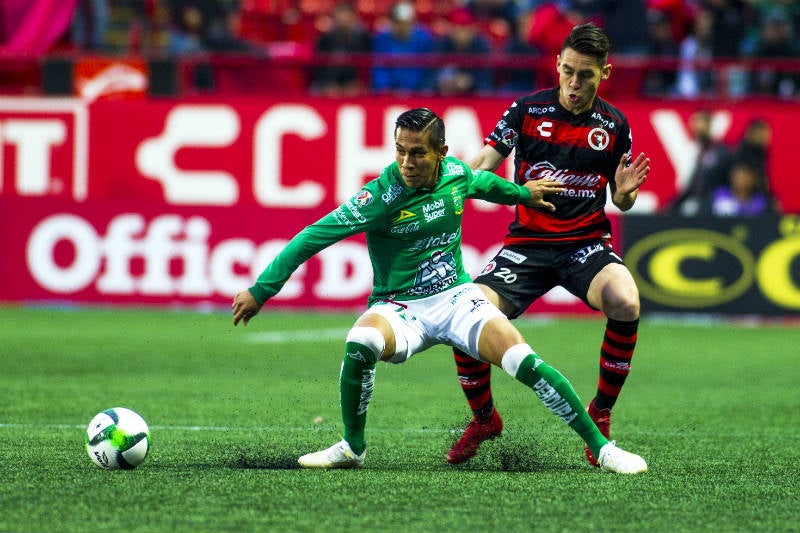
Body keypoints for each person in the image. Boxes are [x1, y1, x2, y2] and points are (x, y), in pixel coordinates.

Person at [231, 107, 648, 475]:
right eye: (400, 150)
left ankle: (603, 449)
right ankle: (351, 447)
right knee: (361, 340)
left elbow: (483, 182)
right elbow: (311, 237)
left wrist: (524, 194)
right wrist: (261, 290)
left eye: (417, 152)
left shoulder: (454, 174)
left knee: (523, 360)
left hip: (454, 298)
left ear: (441, 153)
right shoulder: (379, 196)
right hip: (400, 307)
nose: (407, 162)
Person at [444, 22, 652, 467]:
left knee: (626, 300)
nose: (575, 84)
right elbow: (485, 164)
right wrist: (456, 178)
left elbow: (621, 199)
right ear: (558, 65)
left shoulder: (614, 124)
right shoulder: (526, 109)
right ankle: (483, 418)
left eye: (586, 75)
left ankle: (601, 413)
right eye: (569, 72)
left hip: (586, 244)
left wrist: (627, 191)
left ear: (605, 74)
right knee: (466, 311)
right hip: (528, 246)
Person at [665, 108, 732, 216]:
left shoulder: (721, 152)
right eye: (695, 122)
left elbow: (726, 184)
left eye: (701, 122)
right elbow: (692, 186)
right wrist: (673, 206)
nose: (697, 127)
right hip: (699, 208)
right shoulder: (698, 152)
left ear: (710, 124)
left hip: (714, 211)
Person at [370, 2, 436, 94]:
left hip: (417, 92)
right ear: (392, 22)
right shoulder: (382, 39)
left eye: (406, 23)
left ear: (412, 22)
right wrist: (384, 88)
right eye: (398, 23)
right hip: (388, 92)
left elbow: (429, 68)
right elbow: (379, 67)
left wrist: (422, 89)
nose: (402, 27)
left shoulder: (424, 39)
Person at [311, 2, 372, 97]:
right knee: (315, 89)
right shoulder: (324, 40)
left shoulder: (364, 39)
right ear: (334, 19)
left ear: (354, 18)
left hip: (354, 83)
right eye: (340, 17)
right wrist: (327, 84)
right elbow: (318, 68)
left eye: (346, 17)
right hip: (328, 83)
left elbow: (367, 66)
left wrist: (358, 83)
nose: (343, 21)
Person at [706, 161, 774, 217]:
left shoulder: (762, 203)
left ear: (754, 178)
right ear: (731, 176)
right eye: (738, 175)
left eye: (746, 176)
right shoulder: (718, 197)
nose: (741, 179)